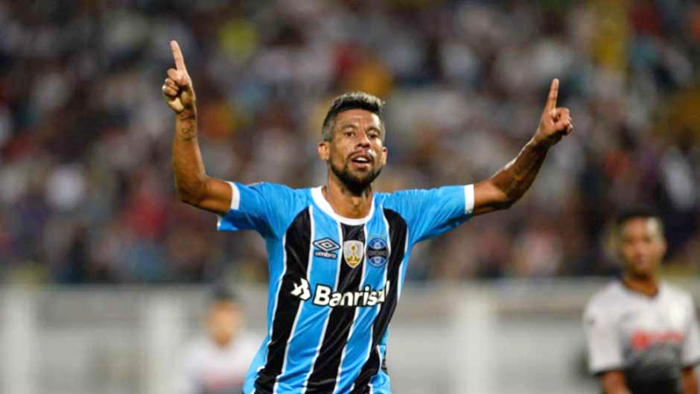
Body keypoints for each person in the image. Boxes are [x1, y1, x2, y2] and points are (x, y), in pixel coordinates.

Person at [161, 39, 573, 394]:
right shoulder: (285, 209)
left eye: (373, 135)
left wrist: (539, 144)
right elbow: (195, 189)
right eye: (349, 133)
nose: (363, 141)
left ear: (384, 155)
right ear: (324, 149)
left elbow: (500, 192)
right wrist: (186, 121)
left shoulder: (404, 215)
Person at [583, 208, 700, 394]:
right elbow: (613, 383)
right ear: (619, 249)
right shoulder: (603, 307)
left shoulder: (682, 303)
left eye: (647, 240)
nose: (640, 250)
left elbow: (689, 377)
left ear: (662, 244)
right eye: (630, 242)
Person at [176, 286, 261, 394]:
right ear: (207, 317)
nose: (224, 320)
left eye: (230, 312)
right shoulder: (193, 354)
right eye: (219, 312)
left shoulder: (255, 351)